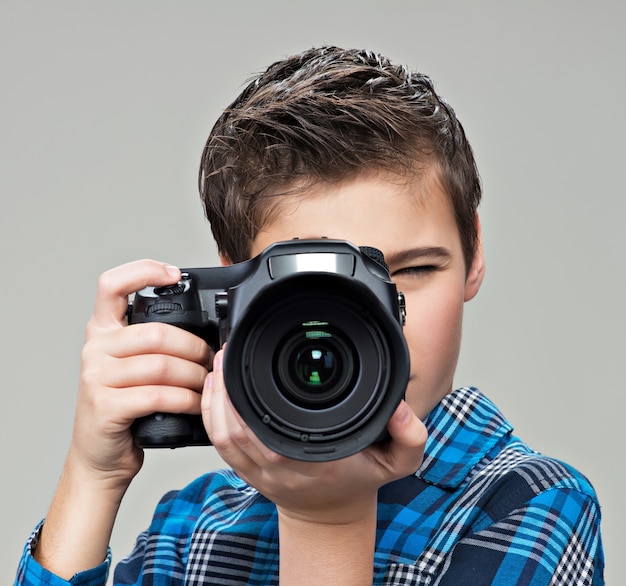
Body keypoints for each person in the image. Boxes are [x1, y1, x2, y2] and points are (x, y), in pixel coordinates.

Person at [15, 46, 604, 585]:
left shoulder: (534, 504)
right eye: (319, 291)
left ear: (473, 252)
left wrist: (327, 521)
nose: (379, 320)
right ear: (238, 291)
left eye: (414, 272)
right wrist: (93, 476)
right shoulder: (188, 528)